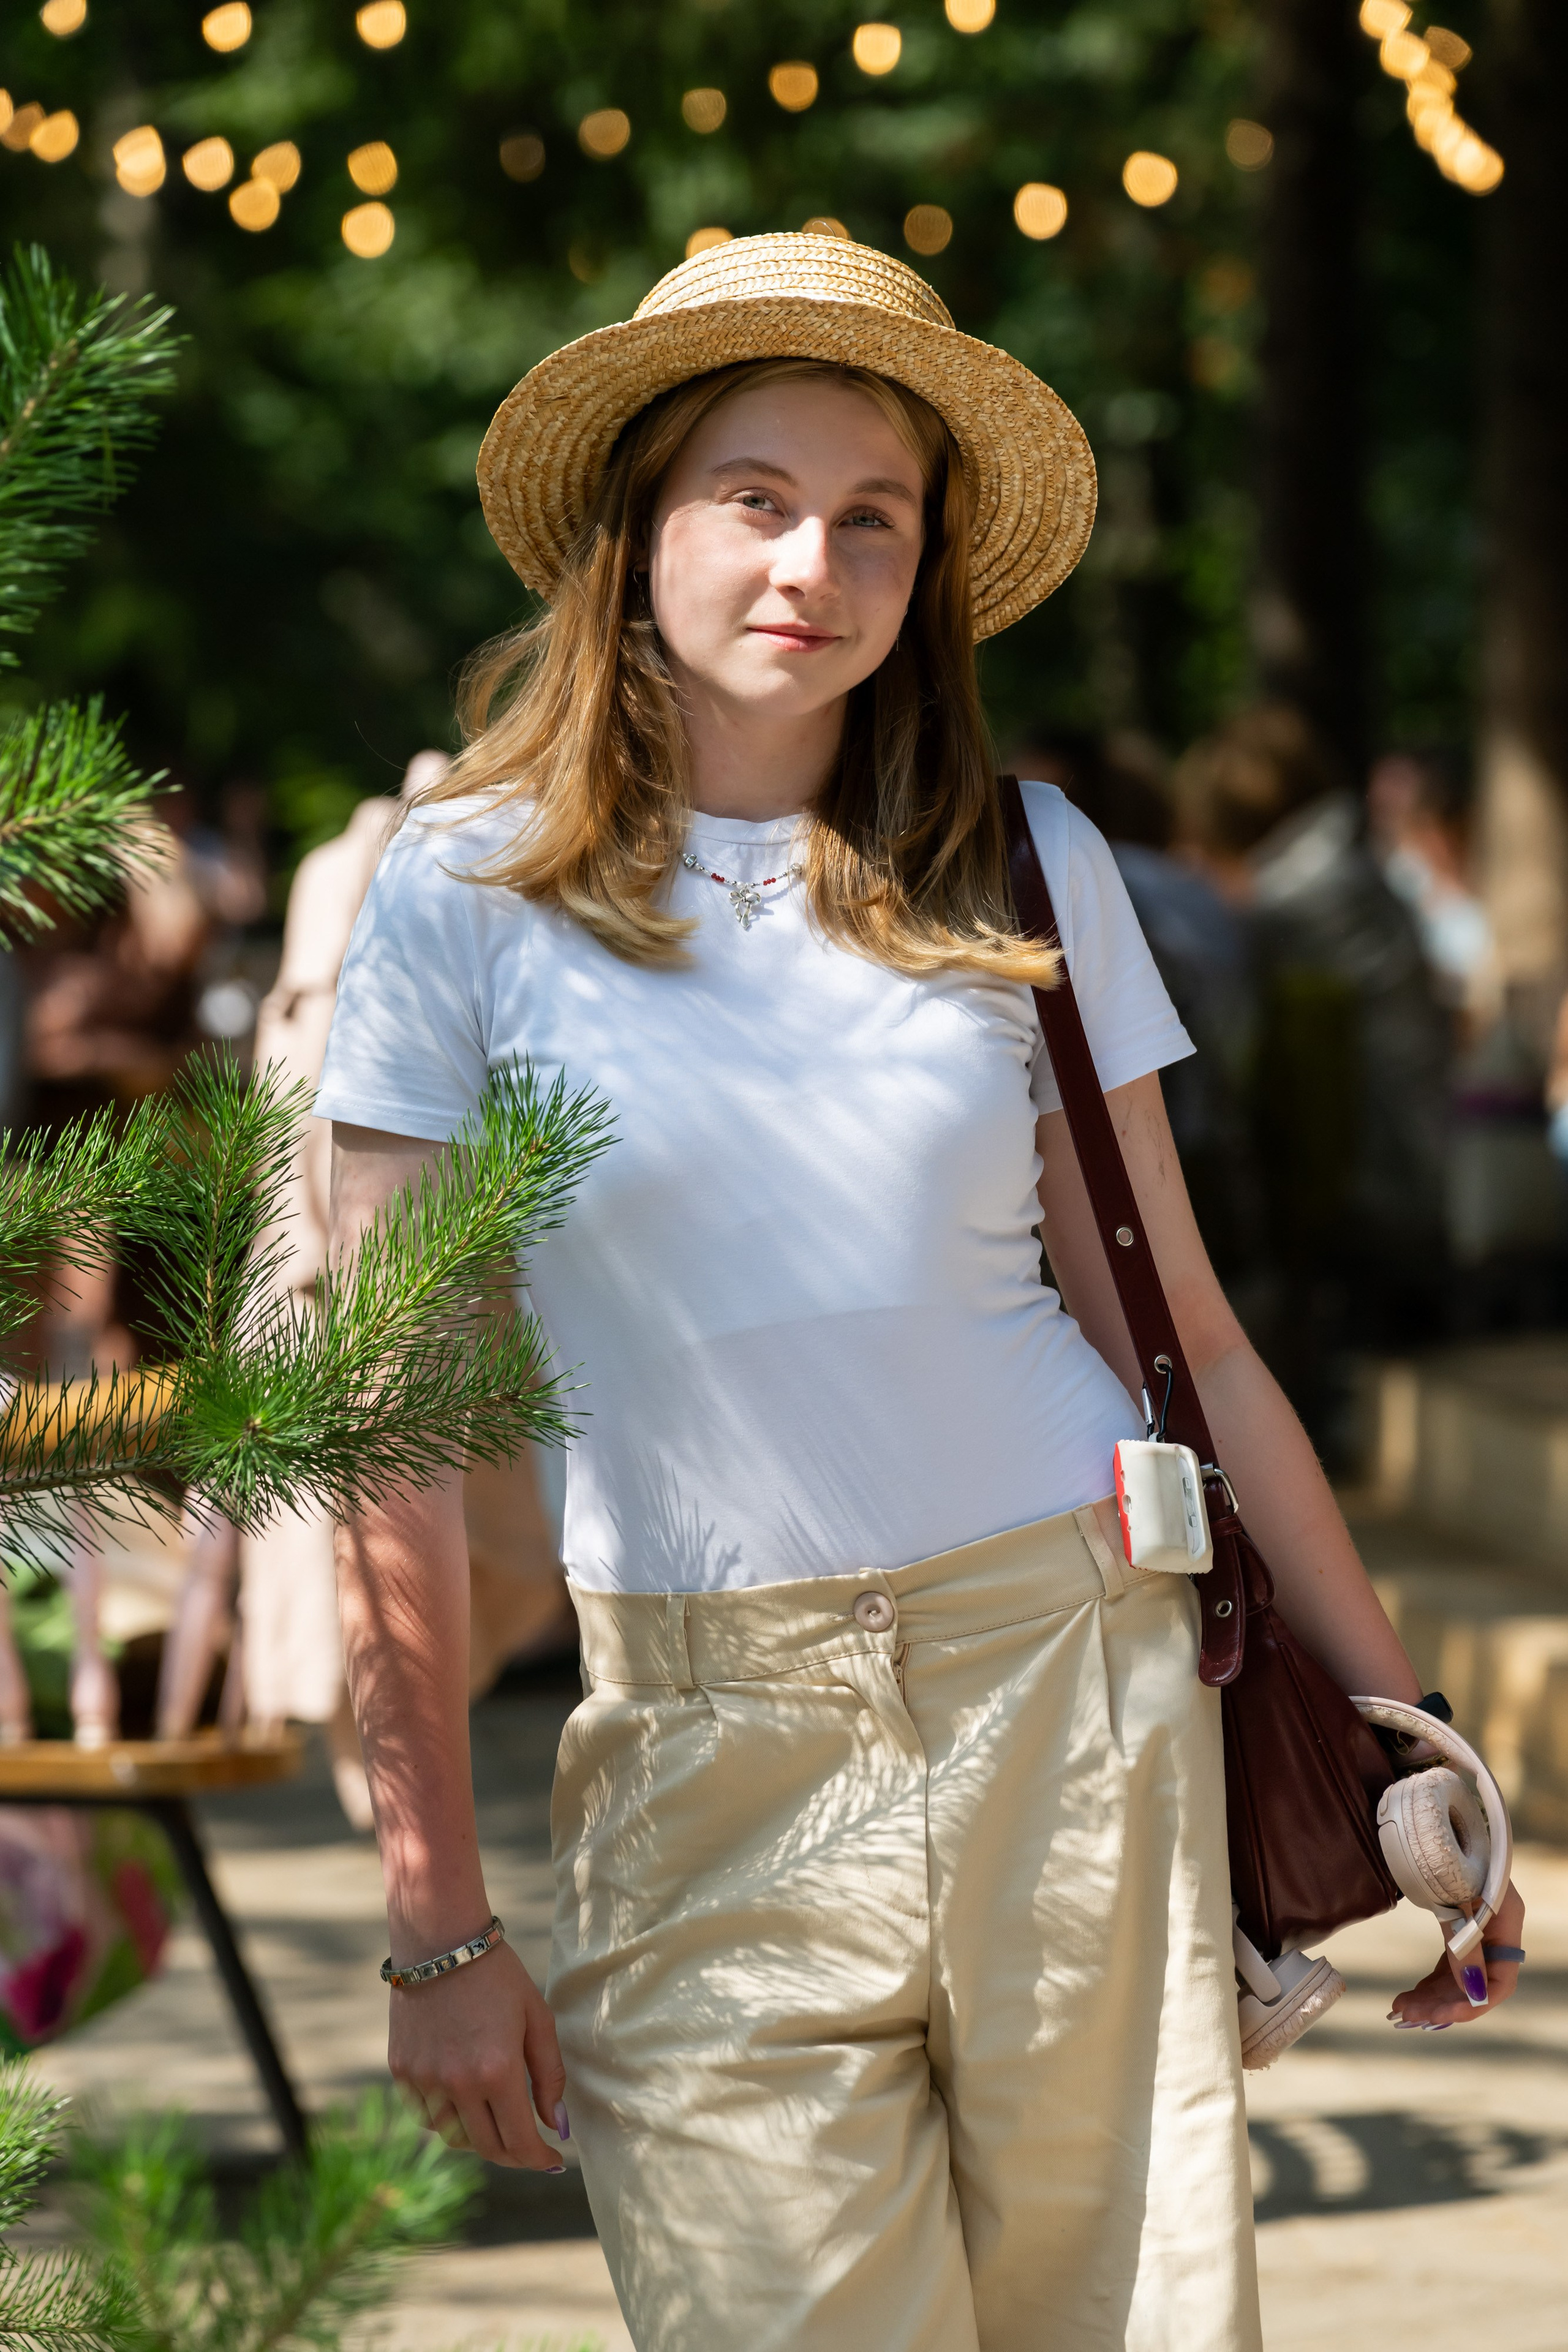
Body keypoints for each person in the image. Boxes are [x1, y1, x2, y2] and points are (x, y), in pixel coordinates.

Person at [314, 237, 1523, 2352]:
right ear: (641, 529)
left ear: (929, 569)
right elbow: (382, 1436)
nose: (816, 561)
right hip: (705, 1746)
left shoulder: (1028, 860)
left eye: (874, 516)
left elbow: (1189, 1339)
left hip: (1069, 1680)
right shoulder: (459, 894)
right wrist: (436, 1923)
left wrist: (1408, 1736)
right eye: (756, 497)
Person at [245, 750, 571, 1827]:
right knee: (352, 1543)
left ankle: (405, 1811)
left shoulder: (450, 886)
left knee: (457, 1543)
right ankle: (396, 1817)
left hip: (433, 1279)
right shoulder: (357, 902)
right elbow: (310, 1128)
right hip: (343, 1292)